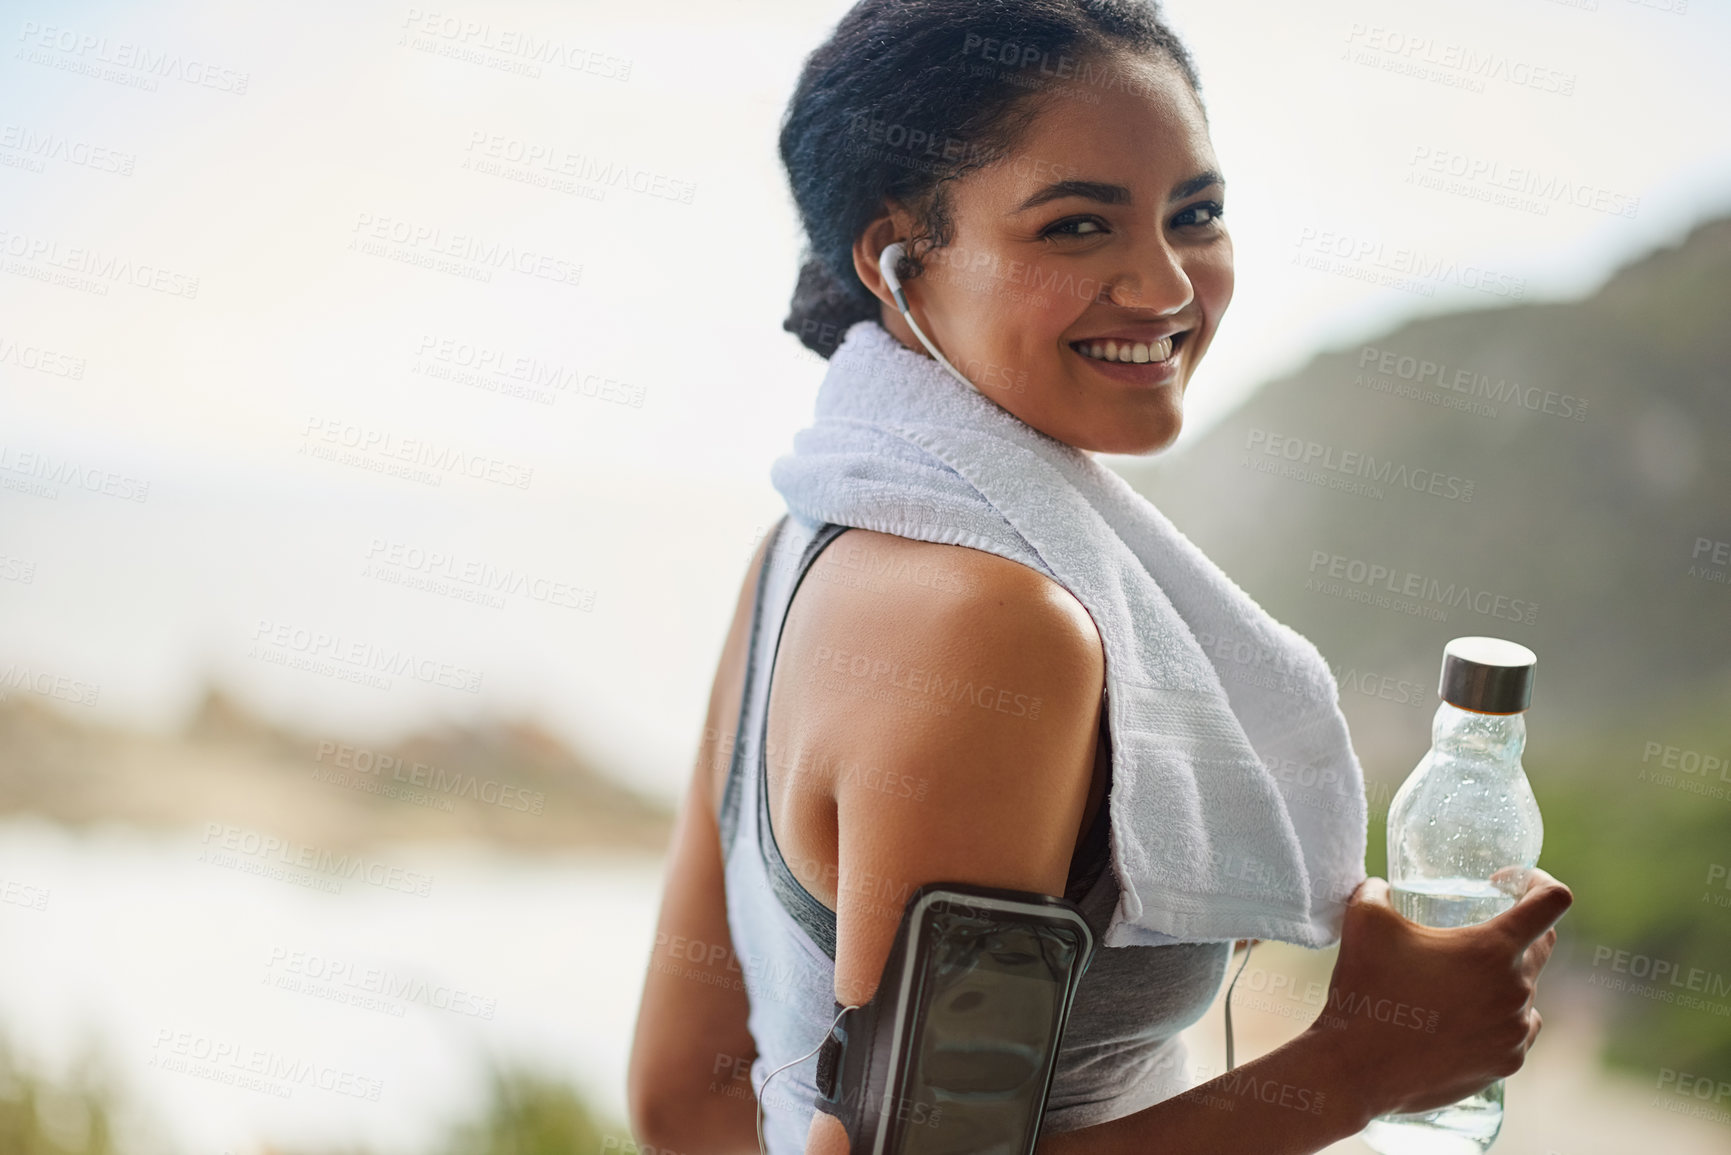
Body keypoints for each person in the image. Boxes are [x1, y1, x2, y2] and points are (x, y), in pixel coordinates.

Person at [628, 2, 1573, 1153]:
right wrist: (1365, 1063)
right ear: (897, 261)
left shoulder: (799, 549)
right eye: (1077, 226)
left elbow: (686, 1098)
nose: (1168, 285)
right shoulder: (995, 627)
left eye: (1199, 214)